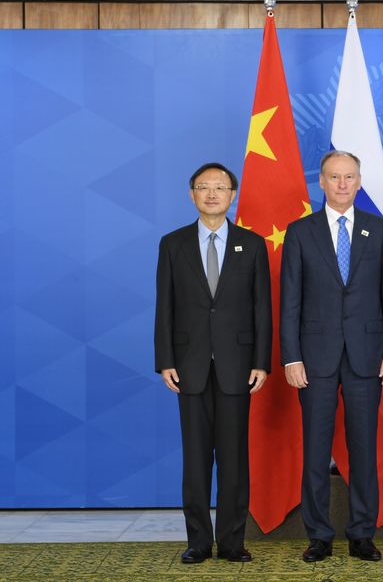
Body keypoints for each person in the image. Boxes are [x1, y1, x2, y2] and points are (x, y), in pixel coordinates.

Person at [280, 150, 383, 563]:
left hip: (367, 356)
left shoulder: (379, 230)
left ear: (359, 181)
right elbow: (290, 301)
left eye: (349, 177)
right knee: (315, 450)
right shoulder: (300, 232)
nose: (342, 184)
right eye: (334, 177)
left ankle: (362, 534)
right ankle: (318, 535)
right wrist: (291, 357)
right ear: (321, 181)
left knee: (364, 448)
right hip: (313, 358)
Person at [154, 162, 272, 564]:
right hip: (189, 366)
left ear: (232, 195)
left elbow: (261, 308)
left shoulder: (251, 244)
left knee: (234, 459)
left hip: (238, 366)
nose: (211, 194)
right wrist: (165, 360)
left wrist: (261, 361)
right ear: (192, 195)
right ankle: (198, 542)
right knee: (196, 460)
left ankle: (233, 542)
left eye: (219, 187)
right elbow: (165, 306)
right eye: (203, 187)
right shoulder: (173, 244)